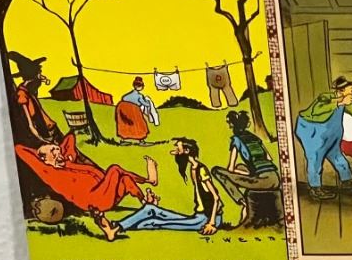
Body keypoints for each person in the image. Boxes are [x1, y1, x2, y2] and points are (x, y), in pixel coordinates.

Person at [15, 136, 155, 240]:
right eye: (53, 151)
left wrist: (53, 144)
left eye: (57, 149)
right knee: (114, 169)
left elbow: (70, 138)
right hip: (95, 199)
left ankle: (145, 202)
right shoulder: (48, 172)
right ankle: (148, 180)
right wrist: (40, 152)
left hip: (105, 192)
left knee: (125, 180)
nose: (58, 151)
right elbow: (19, 149)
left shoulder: (67, 160)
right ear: (44, 159)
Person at [110, 137, 221, 237]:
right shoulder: (193, 167)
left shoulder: (201, 170)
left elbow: (216, 197)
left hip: (206, 218)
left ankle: (116, 230)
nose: (176, 150)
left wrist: (211, 223)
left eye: (178, 148)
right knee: (150, 209)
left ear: (187, 151)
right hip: (198, 216)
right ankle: (118, 226)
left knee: (152, 222)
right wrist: (179, 153)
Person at [294, 76, 352, 198]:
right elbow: (317, 110)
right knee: (315, 158)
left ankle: (347, 182)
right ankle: (315, 188)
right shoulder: (325, 97)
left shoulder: (347, 100)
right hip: (312, 131)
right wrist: (340, 102)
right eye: (350, 89)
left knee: (337, 155)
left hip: (330, 133)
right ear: (341, 90)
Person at [210, 110, 281, 227]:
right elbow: (269, 158)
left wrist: (242, 174)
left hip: (262, 181)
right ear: (247, 124)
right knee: (240, 167)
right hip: (274, 178)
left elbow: (230, 169)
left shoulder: (236, 140)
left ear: (232, 125)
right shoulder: (255, 138)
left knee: (217, 171)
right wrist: (247, 172)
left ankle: (242, 201)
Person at [7, 51, 64, 148]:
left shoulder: (29, 90)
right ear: (32, 77)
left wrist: (43, 79)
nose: (41, 77)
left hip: (52, 130)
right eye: (38, 74)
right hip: (46, 134)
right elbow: (30, 124)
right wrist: (42, 139)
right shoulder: (22, 94)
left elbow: (41, 79)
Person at [116, 76, 159, 142]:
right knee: (139, 123)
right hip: (133, 109)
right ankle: (141, 140)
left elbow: (123, 98)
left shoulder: (127, 94)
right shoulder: (139, 96)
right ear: (141, 87)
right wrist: (148, 101)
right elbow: (146, 104)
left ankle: (123, 140)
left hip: (122, 107)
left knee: (125, 123)